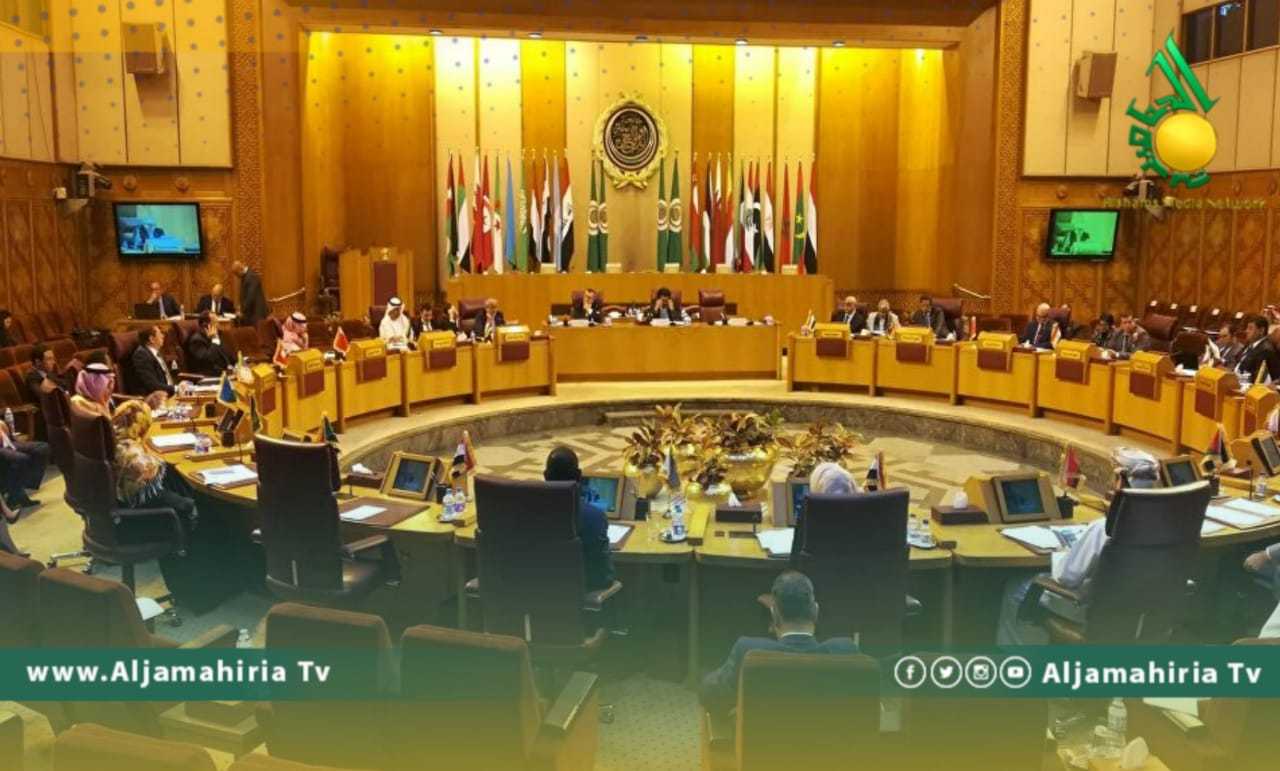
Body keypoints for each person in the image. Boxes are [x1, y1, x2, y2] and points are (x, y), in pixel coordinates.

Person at [996, 448, 1159, 646]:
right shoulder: (1164, 525)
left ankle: (1021, 660)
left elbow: (1067, 577)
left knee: (1016, 588)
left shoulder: (1104, 528)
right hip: (1141, 615)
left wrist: (1062, 554)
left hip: (1090, 611)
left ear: (1122, 481)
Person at [700, 570, 858, 716]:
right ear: (815, 611)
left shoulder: (749, 651)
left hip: (763, 738)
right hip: (827, 738)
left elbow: (712, 699)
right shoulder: (846, 651)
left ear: (774, 614)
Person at [542, 446, 615, 593]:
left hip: (537, 593)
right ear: (579, 476)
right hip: (583, 595)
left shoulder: (527, 513)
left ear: (545, 475)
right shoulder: (595, 517)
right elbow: (603, 575)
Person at [0, 414, 48, 511]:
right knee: (21, 459)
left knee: (42, 448)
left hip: (7, 441)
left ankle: (20, 489)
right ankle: (16, 494)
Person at [129, 325, 175, 397]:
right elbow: (152, 385)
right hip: (154, 398)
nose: (163, 336)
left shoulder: (156, 352)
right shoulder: (141, 355)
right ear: (152, 339)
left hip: (167, 393)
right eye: (160, 334)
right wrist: (175, 388)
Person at [184, 312, 234, 376]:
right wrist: (214, 340)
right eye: (215, 323)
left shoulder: (214, 337)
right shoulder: (196, 341)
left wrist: (236, 365)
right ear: (206, 325)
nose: (218, 325)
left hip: (223, 374)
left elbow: (227, 357)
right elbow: (208, 360)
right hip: (208, 376)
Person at [1235, 315, 1280, 384]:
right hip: (1237, 379)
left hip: (1246, 385)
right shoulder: (1251, 344)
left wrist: (1235, 377)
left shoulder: (1265, 350)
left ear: (1261, 331)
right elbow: (1237, 360)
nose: (1246, 331)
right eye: (1247, 328)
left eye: (1250, 328)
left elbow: (1256, 378)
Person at [232, 260, 268, 326]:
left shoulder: (251, 276)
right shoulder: (246, 276)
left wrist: (241, 310)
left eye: (237, 274)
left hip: (256, 313)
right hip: (252, 313)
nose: (237, 277)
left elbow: (250, 297)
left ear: (240, 269)